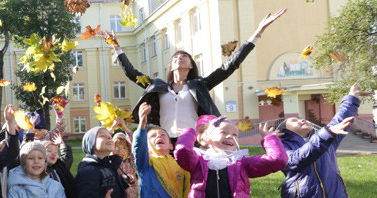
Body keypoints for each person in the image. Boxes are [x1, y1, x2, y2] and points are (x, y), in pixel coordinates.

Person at [103, 9, 287, 139]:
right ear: (171, 66)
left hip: (193, 140)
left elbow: (230, 65)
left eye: (184, 57)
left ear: (191, 65)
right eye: (175, 57)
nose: (179, 59)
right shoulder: (158, 86)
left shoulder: (200, 85)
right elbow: (131, 73)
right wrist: (116, 47)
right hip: (164, 140)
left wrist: (258, 32)